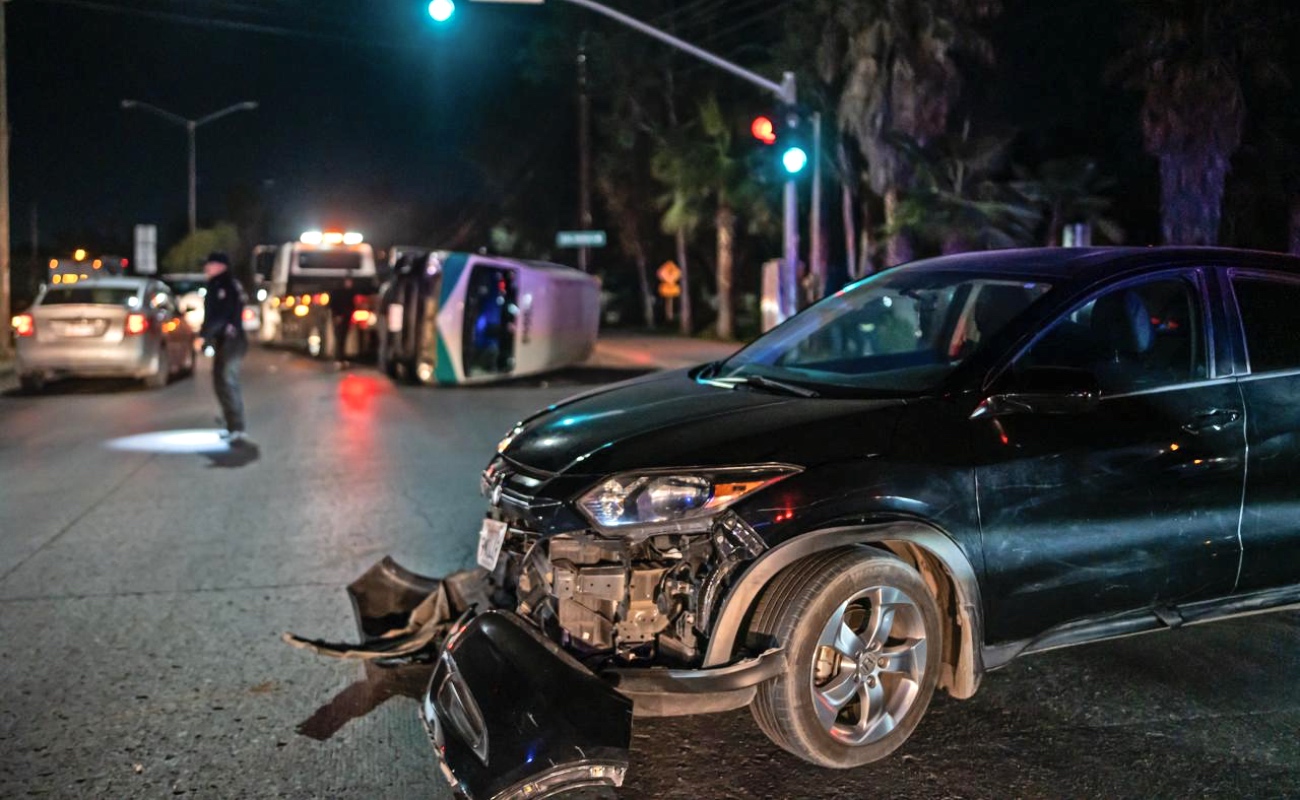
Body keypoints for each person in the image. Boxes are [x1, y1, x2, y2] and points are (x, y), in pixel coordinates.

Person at [200, 252, 250, 443]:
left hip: (233, 341)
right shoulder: (215, 285)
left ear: (221, 266)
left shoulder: (226, 285)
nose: (206, 268)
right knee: (220, 382)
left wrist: (203, 336)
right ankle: (231, 425)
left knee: (228, 381)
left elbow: (222, 316)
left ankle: (237, 427)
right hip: (223, 340)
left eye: (210, 264)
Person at [329, 278, 356, 368]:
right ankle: (338, 359)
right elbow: (333, 305)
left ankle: (342, 358)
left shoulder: (349, 293)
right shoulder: (337, 293)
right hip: (339, 318)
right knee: (339, 338)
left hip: (346, 318)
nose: (350, 284)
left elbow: (352, 306)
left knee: (343, 339)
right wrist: (337, 315)